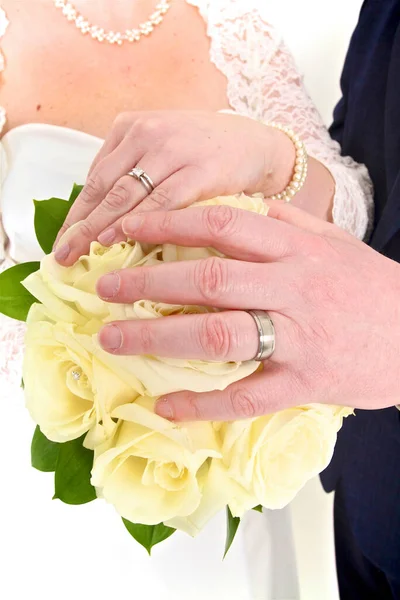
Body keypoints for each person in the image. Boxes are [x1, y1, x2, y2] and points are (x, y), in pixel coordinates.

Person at [0, 2, 372, 598]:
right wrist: (109, 370)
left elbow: (351, 220)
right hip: (42, 477)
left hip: (223, 469)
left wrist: (275, 162)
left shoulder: (235, 31)